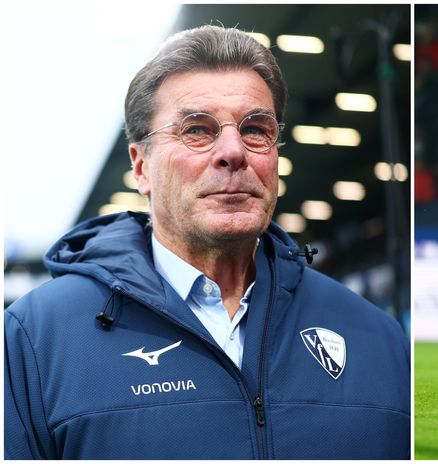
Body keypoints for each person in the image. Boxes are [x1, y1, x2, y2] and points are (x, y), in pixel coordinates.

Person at [4, 25, 410, 460]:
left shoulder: (378, 339)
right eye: (197, 130)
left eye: (256, 128)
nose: (233, 151)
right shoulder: (34, 338)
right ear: (140, 167)